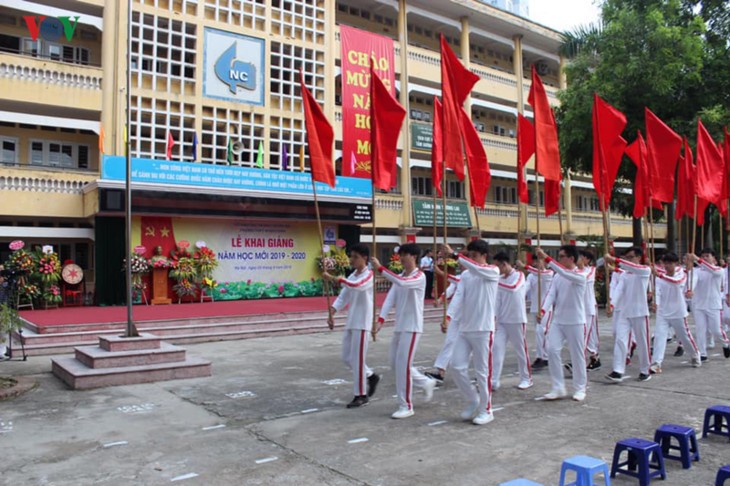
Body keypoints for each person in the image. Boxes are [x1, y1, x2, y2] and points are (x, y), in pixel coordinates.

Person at [372, 244, 436, 419]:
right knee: (395, 364)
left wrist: (380, 268)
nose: (401, 259)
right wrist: (381, 320)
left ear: (414, 256)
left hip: (412, 327)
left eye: (404, 255)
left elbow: (402, 283)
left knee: (402, 366)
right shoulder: (399, 276)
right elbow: (390, 298)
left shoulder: (419, 276)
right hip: (400, 326)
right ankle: (425, 382)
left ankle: (406, 405)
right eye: (400, 255)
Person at [443, 239, 500, 425]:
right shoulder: (466, 276)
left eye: (474, 256)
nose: (471, 259)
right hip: (465, 328)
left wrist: (454, 255)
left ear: (484, 256)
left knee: (482, 372)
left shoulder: (492, 271)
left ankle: (487, 409)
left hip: (483, 329)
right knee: (457, 366)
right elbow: (459, 297)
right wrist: (448, 316)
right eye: (470, 256)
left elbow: (477, 268)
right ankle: (474, 399)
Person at [323, 244, 380, 409]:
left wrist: (335, 278)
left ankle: (361, 395)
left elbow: (357, 286)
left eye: (355, 257)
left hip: (362, 323)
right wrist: (332, 312)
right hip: (352, 321)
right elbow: (344, 296)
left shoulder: (368, 276)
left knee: (357, 359)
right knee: (347, 358)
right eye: (351, 256)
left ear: (365, 258)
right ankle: (370, 375)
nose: (352, 260)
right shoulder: (353, 275)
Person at [537, 245, 587, 401]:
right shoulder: (557, 276)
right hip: (558, 321)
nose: (559, 259)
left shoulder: (580, 275)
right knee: (551, 350)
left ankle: (580, 388)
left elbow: (565, 272)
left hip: (576, 321)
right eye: (558, 256)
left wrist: (546, 257)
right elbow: (551, 295)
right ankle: (558, 387)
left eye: (561, 256)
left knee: (577, 355)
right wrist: (543, 310)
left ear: (571, 258)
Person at [604, 247, 652, 382]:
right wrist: (612, 305)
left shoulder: (644, 270)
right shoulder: (625, 275)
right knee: (620, 339)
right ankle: (618, 370)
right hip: (625, 312)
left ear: (638, 258)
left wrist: (614, 260)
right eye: (627, 257)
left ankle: (645, 370)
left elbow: (631, 266)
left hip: (640, 312)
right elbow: (619, 290)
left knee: (643, 342)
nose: (628, 260)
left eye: (631, 257)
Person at [650, 252, 701, 372]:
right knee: (659, 336)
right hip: (663, 312)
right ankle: (656, 363)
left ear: (676, 263)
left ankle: (695, 355)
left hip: (678, 312)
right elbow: (657, 289)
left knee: (685, 337)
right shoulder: (660, 275)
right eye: (665, 263)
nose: (667, 266)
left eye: (670, 263)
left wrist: (659, 275)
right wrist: (655, 302)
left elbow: (676, 283)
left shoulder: (682, 274)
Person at [492, 251, 532, 391]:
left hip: (517, 319)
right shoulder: (500, 279)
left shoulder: (519, 275)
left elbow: (513, 289)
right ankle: (494, 380)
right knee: (496, 349)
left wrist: (494, 282)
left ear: (504, 264)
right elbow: (497, 301)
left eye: (498, 267)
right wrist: (494, 318)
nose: (497, 270)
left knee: (521, 350)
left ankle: (526, 378)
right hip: (503, 321)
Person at [687, 249, 730, 360]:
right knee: (700, 330)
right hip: (699, 305)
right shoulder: (696, 271)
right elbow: (693, 281)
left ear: (713, 258)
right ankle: (702, 353)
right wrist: (690, 290)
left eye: (707, 256)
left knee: (716, 330)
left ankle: (726, 342)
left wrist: (697, 259)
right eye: (703, 256)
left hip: (713, 305)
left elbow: (713, 270)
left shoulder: (718, 270)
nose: (705, 258)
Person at [518, 258, 554, 370]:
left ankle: (543, 357)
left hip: (545, 308)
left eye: (539, 261)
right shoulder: (531, 276)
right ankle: (544, 356)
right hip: (535, 307)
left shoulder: (549, 273)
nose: (537, 263)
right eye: (535, 262)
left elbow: (542, 273)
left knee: (541, 331)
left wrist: (525, 266)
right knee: (540, 333)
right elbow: (525, 287)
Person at [579, 250, 601, 371]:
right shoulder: (574, 270)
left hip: (589, 307)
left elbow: (584, 278)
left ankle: (578, 361)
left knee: (587, 335)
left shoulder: (591, 270)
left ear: (587, 260)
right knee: (587, 336)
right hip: (578, 308)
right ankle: (594, 357)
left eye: (581, 257)